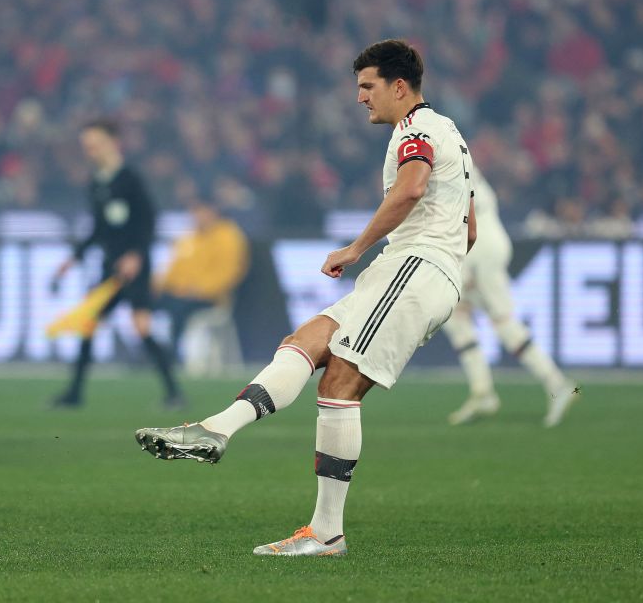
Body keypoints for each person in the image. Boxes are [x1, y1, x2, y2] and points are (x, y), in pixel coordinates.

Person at [136, 39, 490, 557]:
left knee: (340, 384)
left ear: (398, 86)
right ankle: (216, 429)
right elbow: (470, 229)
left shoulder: (415, 131)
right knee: (307, 339)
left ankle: (326, 533)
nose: (360, 98)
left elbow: (412, 189)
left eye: (367, 87)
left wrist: (358, 247)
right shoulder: (450, 133)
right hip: (413, 268)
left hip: (413, 267)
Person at [50, 120, 184, 409]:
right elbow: (98, 230)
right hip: (110, 269)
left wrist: (136, 254)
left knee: (142, 327)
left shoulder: (130, 178)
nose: (90, 150)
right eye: (87, 146)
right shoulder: (97, 182)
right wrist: (73, 259)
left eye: (95, 144)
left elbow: (149, 221)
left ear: (113, 142)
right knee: (88, 323)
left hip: (134, 269)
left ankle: (175, 393)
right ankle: (74, 394)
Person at [443, 166, 578, 427]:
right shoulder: (454, 153)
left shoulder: (437, 159)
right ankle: (482, 391)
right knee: (456, 315)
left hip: (478, 245)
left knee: (503, 323)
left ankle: (559, 384)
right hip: (483, 240)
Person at [153, 193, 249, 357]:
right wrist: (157, 286)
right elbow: (173, 269)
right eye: (194, 211)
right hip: (181, 294)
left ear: (213, 211)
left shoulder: (228, 236)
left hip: (212, 299)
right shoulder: (189, 237)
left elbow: (229, 273)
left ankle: (172, 354)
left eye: (201, 210)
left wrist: (199, 289)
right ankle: (149, 350)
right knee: (149, 302)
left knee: (179, 308)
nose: (197, 215)